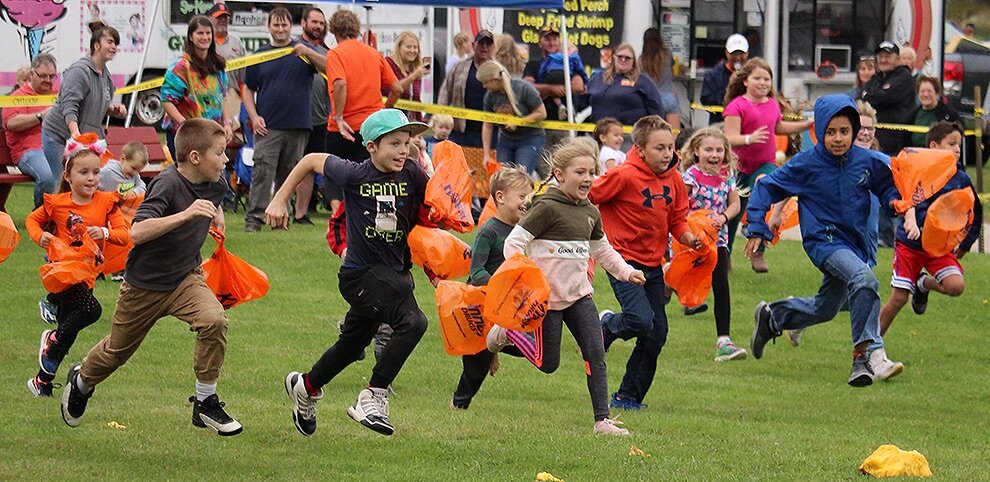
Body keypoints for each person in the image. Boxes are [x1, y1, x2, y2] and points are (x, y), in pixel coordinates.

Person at [60, 118, 239, 435]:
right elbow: (138, 232)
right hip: (144, 286)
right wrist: (186, 214)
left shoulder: (217, 181)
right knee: (117, 352)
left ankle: (205, 403)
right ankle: (82, 379)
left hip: (186, 277)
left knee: (214, 320)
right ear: (195, 158)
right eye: (220, 153)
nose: (226, 159)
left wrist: (217, 215)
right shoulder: (167, 184)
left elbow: (209, 202)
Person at [269, 109, 430, 437]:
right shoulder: (355, 173)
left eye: (407, 143)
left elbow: (432, 210)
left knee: (351, 346)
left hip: (395, 274)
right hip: (360, 276)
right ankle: (373, 396)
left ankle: (306, 386)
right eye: (394, 143)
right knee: (413, 322)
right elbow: (311, 159)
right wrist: (279, 199)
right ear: (371, 147)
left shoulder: (412, 173)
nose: (403, 150)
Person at [486, 136, 646, 435]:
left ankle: (602, 421)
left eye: (591, 172)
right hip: (547, 302)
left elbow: (602, 250)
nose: (587, 178)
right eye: (580, 172)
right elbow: (514, 244)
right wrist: (527, 279)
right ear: (559, 174)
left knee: (595, 353)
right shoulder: (545, 207)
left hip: (579, 297)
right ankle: (507, 334)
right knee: (548, 364)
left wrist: (626, 272)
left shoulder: (590, 212)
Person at [746, 94, 900, 387]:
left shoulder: (868, 161)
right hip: (824, 243)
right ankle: (863, 357)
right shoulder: (806, 164)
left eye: (844, 131)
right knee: (865, 280)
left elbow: (888, 187)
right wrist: (757, 227)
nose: (838, 138)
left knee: (826, 308)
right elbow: (766, 187)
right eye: (830, 132)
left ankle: (773, 317)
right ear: (818, 132)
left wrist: (896, 204)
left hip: (854, 245)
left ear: (854, 131)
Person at [588, 117, 699, 410]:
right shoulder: (623, 175)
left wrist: (690, 240)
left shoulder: (674, 179)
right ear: (639, 148)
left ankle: (628, 397)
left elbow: (677, 220)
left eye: (670, 147)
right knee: (639, 319)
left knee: (657, 333)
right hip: (623, 259)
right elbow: (589, 194)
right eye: (659, 148)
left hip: (652, 263)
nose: (667, 154)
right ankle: (608, 325)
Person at [25, 138, 129, 397]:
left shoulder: (106, 202)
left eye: (96, 172)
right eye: (83, 172)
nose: (91, 178)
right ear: (68, 176)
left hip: (87, 276)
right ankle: (51, 336)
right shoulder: (57, 203)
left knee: (68, 331)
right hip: (63, 272)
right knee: (91, 310)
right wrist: (41, 237)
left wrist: (104, 231)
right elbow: (32, 220)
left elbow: (124, 234)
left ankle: (42, 382)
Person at [878, 121, 981, 375]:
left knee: (956, 287)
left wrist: (965, 246)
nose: (957, 150)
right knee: (899, 298)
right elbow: (906, 199)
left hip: (938, 249)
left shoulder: (961, 178)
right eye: (951, 144)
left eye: (959, 145)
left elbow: (974, 212)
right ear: (933, 146)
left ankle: (923, 284)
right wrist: (911, 221)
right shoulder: (920, 171)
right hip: (910, 245)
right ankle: (868, 349)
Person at [451, 167, 532, 410]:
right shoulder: (488, 231)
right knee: (476, 371)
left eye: (528, 197)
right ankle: (458, 406)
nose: (526, 202)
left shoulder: (522, 232)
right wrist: (503, 290)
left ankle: (495, 346)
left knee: (534, 348)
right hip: (480, 309)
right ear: (500, 197)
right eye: (521, 197)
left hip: (505, 310)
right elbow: (476, 273)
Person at [241, 8, 327, 232]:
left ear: (292, 27)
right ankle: (255, 219)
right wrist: (253, 116)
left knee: (290, 177)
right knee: (262, 173)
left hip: (299, 125)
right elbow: (247, 90)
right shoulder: (260, 55)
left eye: (284, 25)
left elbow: (329, 68)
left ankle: (280, 218)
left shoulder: (304, 51)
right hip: (267, 126)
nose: (280, 29)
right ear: (269, 27)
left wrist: (308, 53)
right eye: (276, 25)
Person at [723, 58, 812, 273]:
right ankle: (724, 257)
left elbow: (778, 127)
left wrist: (806, 125)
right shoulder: (737, 106)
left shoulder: (772, 104)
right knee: (734, 213)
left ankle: (759, 250)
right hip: (738, 168)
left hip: (765, 165)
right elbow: (729, 138)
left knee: (764, 197)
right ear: (745, 81)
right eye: (757, 78)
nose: (763, 83)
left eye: (767, 79)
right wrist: (749, 139)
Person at [321, 9, 402, 214]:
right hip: (372, 128)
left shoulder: (335, 54)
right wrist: (385, 110)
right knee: (368, 177)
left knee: (333, 174)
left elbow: (340, 84)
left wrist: (338, 116)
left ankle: (338, 218)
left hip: (342, 128)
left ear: (333, 30)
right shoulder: (373, 54)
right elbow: (397, 89)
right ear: (357, 30)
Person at [679, 128, 746, 361]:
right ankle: (629, 323)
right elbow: (679, 204)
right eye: (708, 149)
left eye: (719, 150)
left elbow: (735, 204)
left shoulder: (726, 177)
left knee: (721, 286)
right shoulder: (691, 177)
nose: (714, 154)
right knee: (670, 284)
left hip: (718, 241)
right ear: (696, 151)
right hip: (691, 242)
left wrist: (724, 217)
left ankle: (724, 342)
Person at [41, 23, 126, 176]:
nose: (114, 47)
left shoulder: (106, 77)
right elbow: (69, 104)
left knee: (83, 184)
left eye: (116, 43)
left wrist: (113, 109)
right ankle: (42, 200)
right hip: (58, 136)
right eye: (110, 42)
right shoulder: (79, 71)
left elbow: (93, 103)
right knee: (61, 181)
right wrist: (75, 133)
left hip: (82, 141)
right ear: (97, 45)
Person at [861, 41, 915, 247]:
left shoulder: (904, 77)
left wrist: (874, 96)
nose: (883, 59)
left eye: (888, 55)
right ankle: (883, 234)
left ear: (897, 58)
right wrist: (875, 95)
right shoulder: (877, 79)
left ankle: (899, 234)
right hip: (877, 144)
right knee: (878, 186)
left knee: (897, 190)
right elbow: (865, 97)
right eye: (880, 56)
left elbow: (884, 98)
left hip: (898, 145)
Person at [161, 15, 234, 159]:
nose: (205, 37)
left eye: (208, 33)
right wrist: (185, 125)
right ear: (190, 37)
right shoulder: (181, 67)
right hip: (185, 136)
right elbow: (166, 100)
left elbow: (222, 97)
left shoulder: (217, 65)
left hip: (211, 135)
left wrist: (227, 123)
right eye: (200, 33)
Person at [2, 54, 59, 208]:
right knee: (48, 177)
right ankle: (41, 218)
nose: (48, 80)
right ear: (32, 74)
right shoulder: (18, 96)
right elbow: (11, 123)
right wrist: (41, 116)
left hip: (57, 147)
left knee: (84, 172)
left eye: (52, 76)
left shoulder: (57, 94)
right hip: (29, 151)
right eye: (43, 76)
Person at [479, 61, 547, 178]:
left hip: (530, 139)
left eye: (486, 83)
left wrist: (518, 122)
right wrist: (486, 154)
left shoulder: (522, 88)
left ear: (495, 80)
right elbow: (487, 126)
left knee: (520, 176)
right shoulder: (489, 97)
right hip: (506, 140)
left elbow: (541, 113)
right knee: (503, 177)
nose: (484, 86)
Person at [523, 25, 587, 149]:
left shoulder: (568, 63)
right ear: (540, 43)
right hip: (539, 125)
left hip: (564, 126)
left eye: (555, 39)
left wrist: (545, 91)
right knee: (542, 165)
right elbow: (527, 87)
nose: (552, 43)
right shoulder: (533, 64)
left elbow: (578, 86)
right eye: (547, 40)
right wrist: (551, 89)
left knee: (565, 163)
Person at [297, 7, 330, 225]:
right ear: (303, 23)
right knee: (292, 165)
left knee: (309, 166)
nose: (318, 26)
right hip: (295, 117)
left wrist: (309, 53)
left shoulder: (328, 52)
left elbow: (330, 69)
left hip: (320, 119)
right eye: (314, 22)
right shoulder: (291, 48)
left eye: (321, 22)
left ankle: (301, 213)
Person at [437, 30, 495, 148]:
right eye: (481, 44)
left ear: (493, 47)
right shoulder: (460, 66)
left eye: (488, 44)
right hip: (460, 130)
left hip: (489, 132)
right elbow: (446, 91)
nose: (484, 47)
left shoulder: (498, 70)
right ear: (474, 46)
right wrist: (441, 116)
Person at [586, 43, 663, 127]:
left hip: (629, 135)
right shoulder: (597, 78)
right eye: (620, 57)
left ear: (633, 61)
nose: (623, 60)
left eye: (627, 58)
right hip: (599, 132)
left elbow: (656, 109)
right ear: (613, 58)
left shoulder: (643, 81)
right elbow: (582, 101)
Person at [700, 33, 749, 123]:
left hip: (746, 123)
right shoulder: (713, 75)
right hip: (721, 123)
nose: (738, 57)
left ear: (747, 53)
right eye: (734, 53)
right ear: (727, 53)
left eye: (741, 53)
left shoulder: (753, 74)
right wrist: (729, 86)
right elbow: (706, 102)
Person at [640, 28, 681, 129]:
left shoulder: (641, 60)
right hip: (669, 96)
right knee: (674, 133)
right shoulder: (668, 54)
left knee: (652, 132)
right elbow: (673, 68)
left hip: (651, 99)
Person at [386, 32, 430, 123]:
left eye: (415, 47)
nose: (412, 50)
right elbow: (394, 90)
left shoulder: (416, 69)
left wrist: (419, 123)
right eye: (409, 47)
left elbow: (416, 101)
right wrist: (413, 77)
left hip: (410, 125)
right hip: (391, 122)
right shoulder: (388, 64)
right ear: (399, 47)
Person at [911, 76, 961, 147]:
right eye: (922, 91)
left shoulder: (948, 113)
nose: (925, 94)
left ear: (937, 93)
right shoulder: (912, 115)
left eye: (929, 91)